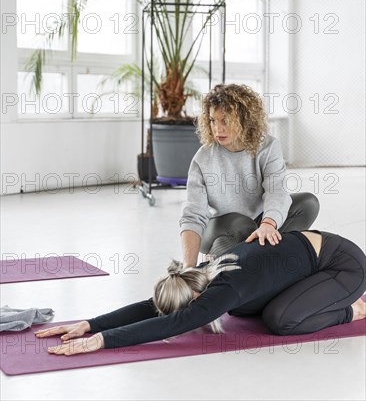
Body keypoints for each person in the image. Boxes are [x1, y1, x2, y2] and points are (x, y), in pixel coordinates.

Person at [36, 229, 366, 356]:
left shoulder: (227, 286)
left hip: (343, 265)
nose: (186, 316)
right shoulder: (201, 275)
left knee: (282, 321)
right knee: (244, 310)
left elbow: (171, 324)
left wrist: (101, 341)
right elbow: (155, 307)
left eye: (186, 310)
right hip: (307, 265)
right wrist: (92, 323)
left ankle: (351, 308)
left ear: (195, 298)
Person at [180, 83, 320, 269]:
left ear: (245, 120)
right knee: (242, 225)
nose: (217, 129)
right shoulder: (203, 158)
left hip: (259, 223)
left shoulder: (269, 147)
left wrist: (269, 223)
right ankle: (231, 256)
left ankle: (257, 256)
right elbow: (193, 215)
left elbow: (276, 190)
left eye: (226, 121)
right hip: (222, 228)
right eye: (213, 120)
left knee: (308, 203)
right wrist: (188, 269)